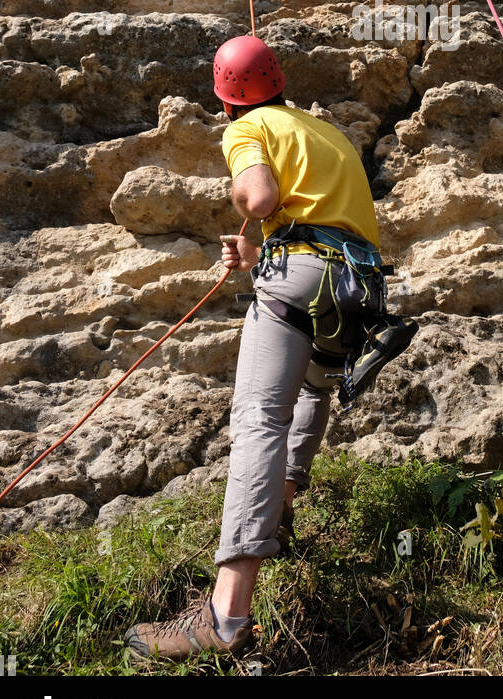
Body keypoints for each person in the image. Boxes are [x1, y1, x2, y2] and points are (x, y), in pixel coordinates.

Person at [125, 35, 415, 661]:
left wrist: (246, 206)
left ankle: (225, 614)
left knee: (259, 418)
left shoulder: (245, 128)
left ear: (225, 99)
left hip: (302, 277)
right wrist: (258, 253)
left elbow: (259, 197)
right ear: (281, 80)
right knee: (312, 389)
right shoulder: (326, 130)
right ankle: (278, 505)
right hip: (357, 284)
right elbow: (323, 219)